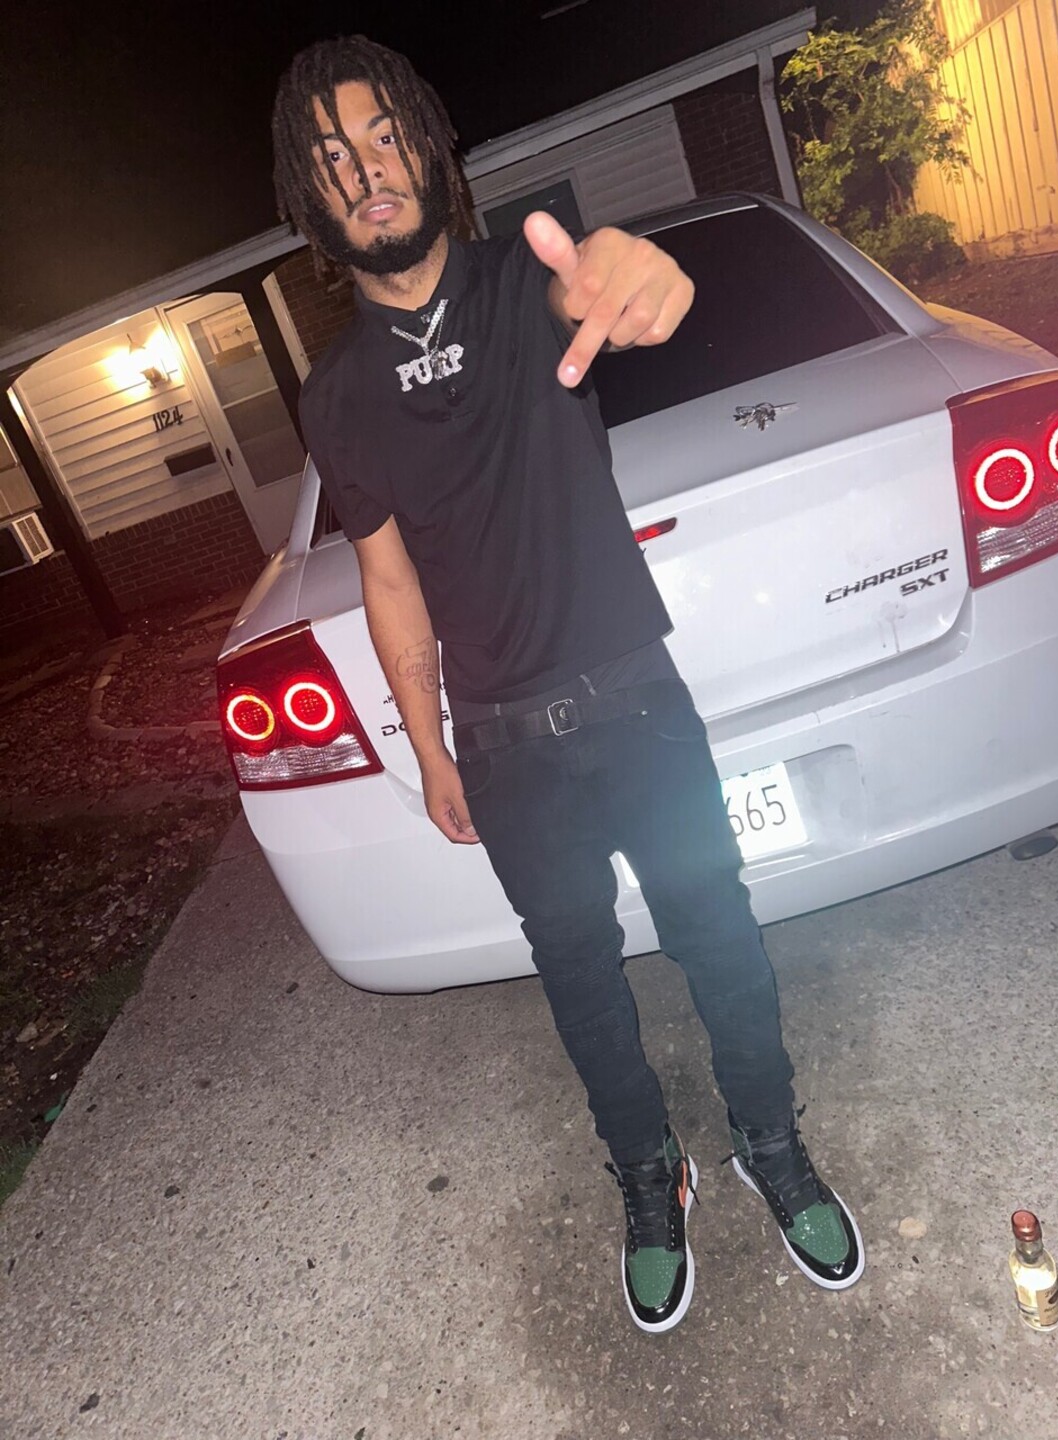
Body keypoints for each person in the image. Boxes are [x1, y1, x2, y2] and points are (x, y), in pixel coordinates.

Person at [272, 34, 864, 1334]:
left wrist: (648, 279)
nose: (366, 171)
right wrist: (430, 749)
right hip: (501, 748)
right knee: (582, 984)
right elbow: (388, 579)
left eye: (382, 137)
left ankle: (771, 1141)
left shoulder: (528, 286)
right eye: (333, 159)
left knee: (720, 936)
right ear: (309, 198)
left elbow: (626, 286)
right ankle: (650, 1175)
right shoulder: (338, 397)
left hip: (636, 701)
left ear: (428, 145)